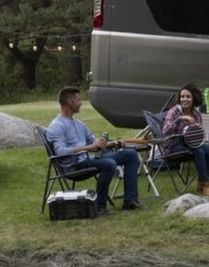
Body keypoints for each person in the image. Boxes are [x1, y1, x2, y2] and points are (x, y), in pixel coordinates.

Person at [47, 86, 142, 215]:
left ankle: (130, 201)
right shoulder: (57, 126)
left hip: (88, 159)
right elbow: (60, 152)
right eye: (79, 100)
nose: (81, 103)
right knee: (109, 164)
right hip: (74, 166)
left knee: (130, 154)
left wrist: (114, 143)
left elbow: (94, 142)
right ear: (69, 102)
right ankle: (100, 206)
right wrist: (89, 148)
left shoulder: (79, 124)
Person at [162, 83, 209, 196]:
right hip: (173, 147)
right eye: (182, 97)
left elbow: (197, 136)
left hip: (191, 144)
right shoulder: (174, 111)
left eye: (188, 97)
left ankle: (200, 181)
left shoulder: (197, 114)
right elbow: (165, 132)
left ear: (194, 99)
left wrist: (196, 128)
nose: (184, 99)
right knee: (198, 151)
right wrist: (179, 119)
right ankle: (206, 184)